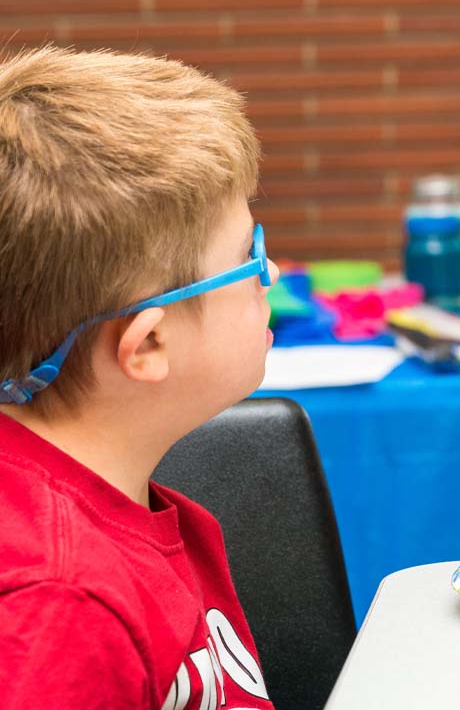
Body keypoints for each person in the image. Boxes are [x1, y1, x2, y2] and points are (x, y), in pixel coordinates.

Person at [0, 46, 280, 707]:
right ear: (148, 342)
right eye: (249, 257)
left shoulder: (104, 512)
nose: (268, 276)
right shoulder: (60, 605)